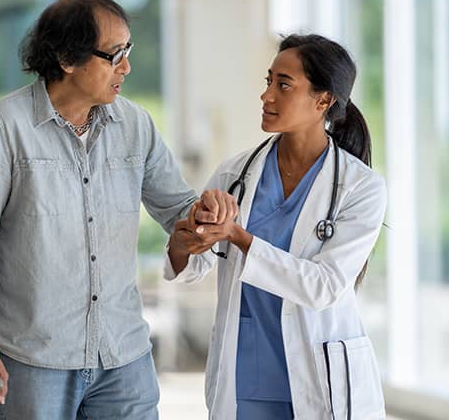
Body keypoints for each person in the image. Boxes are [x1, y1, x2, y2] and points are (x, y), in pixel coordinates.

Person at [0, 0, 197, 419]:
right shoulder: (5, 127)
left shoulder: (136, 125)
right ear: (66, 58)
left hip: (123, 356)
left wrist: (207, 217)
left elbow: (179, 209)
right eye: (114, 55)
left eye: (127, 51)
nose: (126, 67)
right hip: (32, 361)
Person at [165, 34, 387, 419]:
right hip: (245, 373)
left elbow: (323, 286)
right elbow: (195, 265)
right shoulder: (236, 172)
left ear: (323, 100)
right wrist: (187, 240)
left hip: (319, 376)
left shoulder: (360, 187)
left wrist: (237, 235)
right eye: (268, 82)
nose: (267, 96)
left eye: (283, 85)